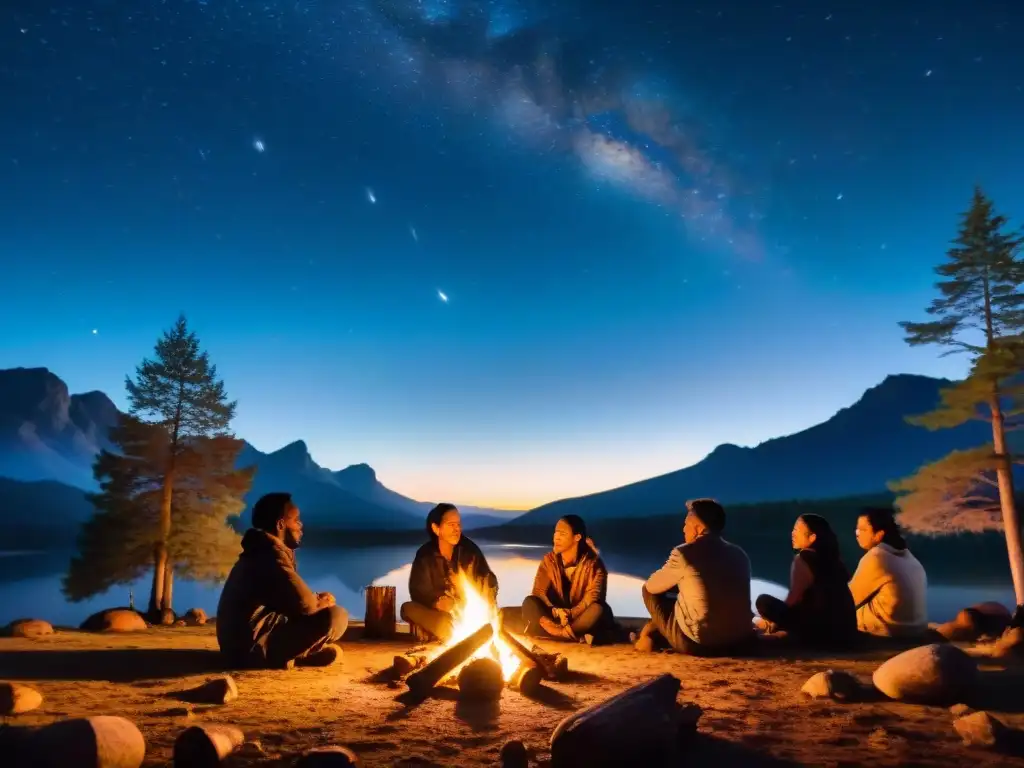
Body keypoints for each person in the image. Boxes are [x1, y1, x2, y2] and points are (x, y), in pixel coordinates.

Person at [216, 492, 349, 669]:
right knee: (336, 616)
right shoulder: (269, 555)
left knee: (318, 612)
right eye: (296, 520)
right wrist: (323, 602)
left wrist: (316, 598)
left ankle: (301, 653)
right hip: (249, 649)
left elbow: (291, 600)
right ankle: (297, 655)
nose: (301, 526)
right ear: (280, 524)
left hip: (241, 644)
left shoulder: (262, 550)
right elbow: (305, 605)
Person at [638, 498, 754, 655]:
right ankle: (653, 632)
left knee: (649, 592)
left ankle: (648, 636)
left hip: (701, 643)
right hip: (739, 641)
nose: (683, 529)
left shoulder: (684, 554)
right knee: (690, 592)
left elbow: (652, 585)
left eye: (686, 524)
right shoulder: (740, 554)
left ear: (699, 528)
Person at [755, 514, 857, 648]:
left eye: (797, 530)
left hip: (819, 632)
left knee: (764, 602)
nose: (793, 533)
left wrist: (777, 622)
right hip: (844, 633)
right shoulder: (833, 561)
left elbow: (793, 599)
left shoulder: (803, 558)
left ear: (812, 537)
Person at [400, 503, 498, 643]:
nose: (456, 529)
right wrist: (436, 603)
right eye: (451, 524)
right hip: (440, 615)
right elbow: (417, 591)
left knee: (503, 616)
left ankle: (455, 634)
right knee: (407, 608)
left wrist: (471, 599)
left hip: (468, 613)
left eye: (458, 524)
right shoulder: (425, 555)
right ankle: (449, 632)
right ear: (436, 528)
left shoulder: (470, 552)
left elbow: (488, 580)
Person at [522, 515, 614, 642]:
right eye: (555, 532)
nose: (556, 537)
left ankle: (556, 633)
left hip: (579, 616)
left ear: (577, 537)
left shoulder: (594, 564)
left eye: (562, 534)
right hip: (558, 617)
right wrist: (555, 611)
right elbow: (539, 592)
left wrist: (570, 613)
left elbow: (592, 598)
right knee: (530, 602)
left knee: (597, 609)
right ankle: (565, 633)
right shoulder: (549, 560)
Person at [849, 507, 928, 638]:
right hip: (916, 628)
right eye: (856, 529)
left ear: (879, 534)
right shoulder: (910, 558)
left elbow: (849, 599)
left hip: (889, 629)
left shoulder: (876, 556)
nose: (857, 534)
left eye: (862, 530)